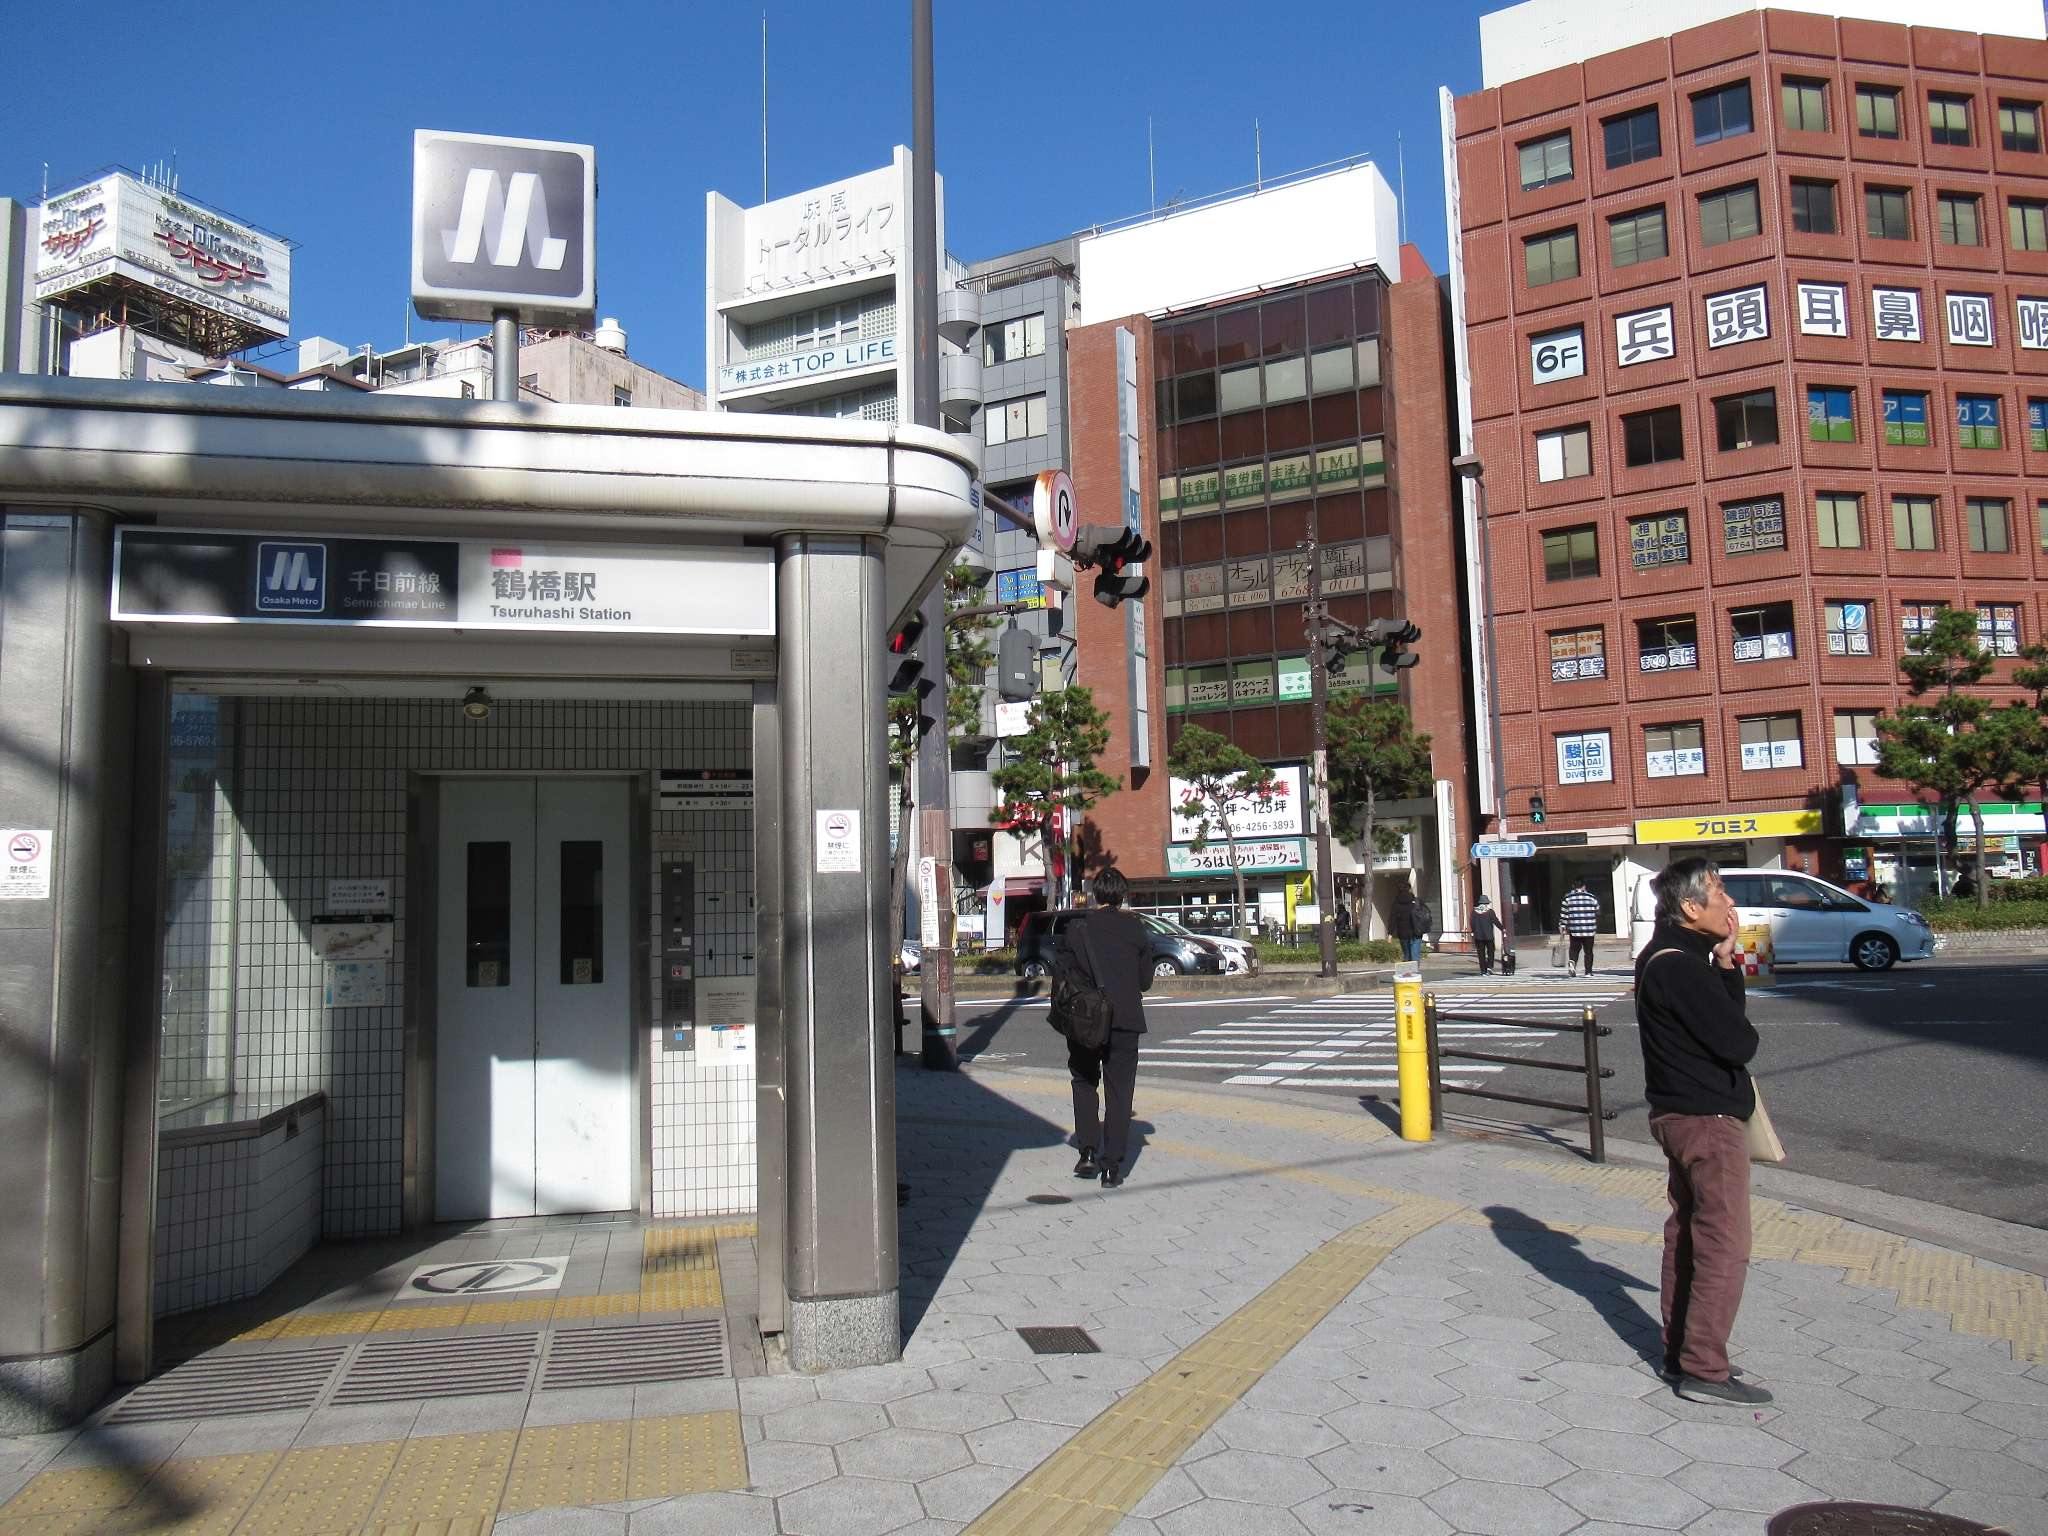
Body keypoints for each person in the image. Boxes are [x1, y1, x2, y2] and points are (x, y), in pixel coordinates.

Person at [1634, 857, 1770, 1408]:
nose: (1730, 905)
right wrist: (1722, 968)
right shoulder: (1681, 967)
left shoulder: (1665, 957)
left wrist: (1725, 962)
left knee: (1688, 1234)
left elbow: (1721, 1026)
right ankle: (1704, 1369)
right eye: (1720, 893)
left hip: (1677, 1117)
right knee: (1723, 1241)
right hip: (1706, 1121)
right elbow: (1738, 1043)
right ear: (1691, 908)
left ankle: (1681, 1350)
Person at [1055, 866, 1153, 1189]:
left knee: (1083, 1080)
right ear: (1123, 895)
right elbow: (1145, 981)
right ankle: (1112, 1167)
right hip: (1125, 1019)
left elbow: (1065, 975)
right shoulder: (1136, 929)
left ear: (1095, 894)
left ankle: (1086, 1151)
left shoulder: (1077, 929)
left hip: (1086, 1018)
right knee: (1119, 1090)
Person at [1559, 877, 1601, 977]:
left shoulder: (1568, 898)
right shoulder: (1592, 897)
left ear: (1573, 886)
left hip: (1575, 929)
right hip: (1589, 929)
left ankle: (1572, 964)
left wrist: (1562, 926)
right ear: (1584, 886)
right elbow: (1598, 911)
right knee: (1588, 951)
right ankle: (1588, 972)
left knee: (1574, 949)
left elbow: (1564, 914)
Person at [1389, 884, 1426, 963]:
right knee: (1415, 954)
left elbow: (1392, 919)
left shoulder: (1396, 903)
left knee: (1407, 954)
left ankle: (1408, 971)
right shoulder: (1416, 902)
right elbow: (1423, 915)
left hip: (1403, 932)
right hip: (1416, 931)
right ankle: (1414, 972)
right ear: (1409, 890)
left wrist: (1390, 933)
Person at [1470, 894, 1503, 976]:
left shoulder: (1474, 912)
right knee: (1491, 952)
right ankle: (1489, 967)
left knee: (1481, 954)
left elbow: (1472, 923)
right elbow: (1496, 921)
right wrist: (1502, 929)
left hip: (1478, 936)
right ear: (1486, 903)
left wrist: (1474, 931)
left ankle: (1483, 971)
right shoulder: (1490, 912)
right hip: (1489, 936)